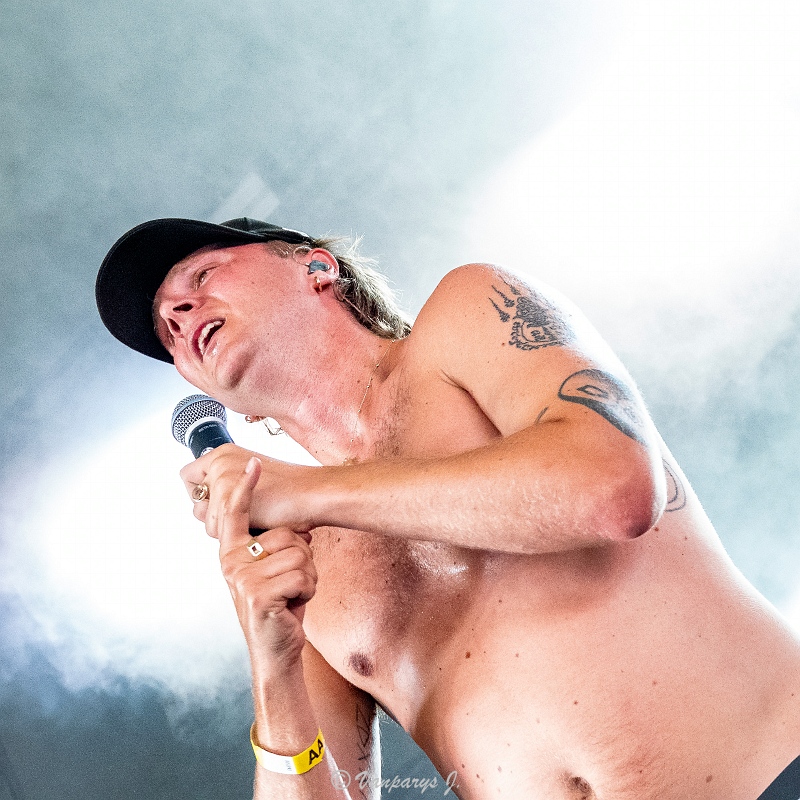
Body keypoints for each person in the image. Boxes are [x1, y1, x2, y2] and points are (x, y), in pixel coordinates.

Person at [96, 216, 800, 800]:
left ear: (317, 267)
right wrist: (272, 666)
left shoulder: (465, 316)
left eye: (201, 275)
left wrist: (308, 492)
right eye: (166, 329)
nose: (177, 314)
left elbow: (611, 490)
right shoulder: (298, 562)